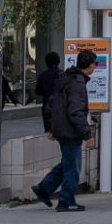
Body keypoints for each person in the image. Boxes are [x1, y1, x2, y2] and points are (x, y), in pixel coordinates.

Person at [31, 49, 97, 212]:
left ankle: (44, 189)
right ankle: (66, 201)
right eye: (95, 63)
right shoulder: (77, 84)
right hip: (70, 131)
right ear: (89, 65)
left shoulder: (65, 79)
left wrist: (53, 127)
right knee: (73, 168)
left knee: (67, 164)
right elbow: (76, 112)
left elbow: (51, 105)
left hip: (63, 129)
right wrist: (87, 134)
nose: (95, 66)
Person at [35, 52, 62, 132]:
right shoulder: (63, 75)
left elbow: (38, 92)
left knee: (48, 131)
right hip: (61, 105)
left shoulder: (43, 76)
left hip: (47, 105)